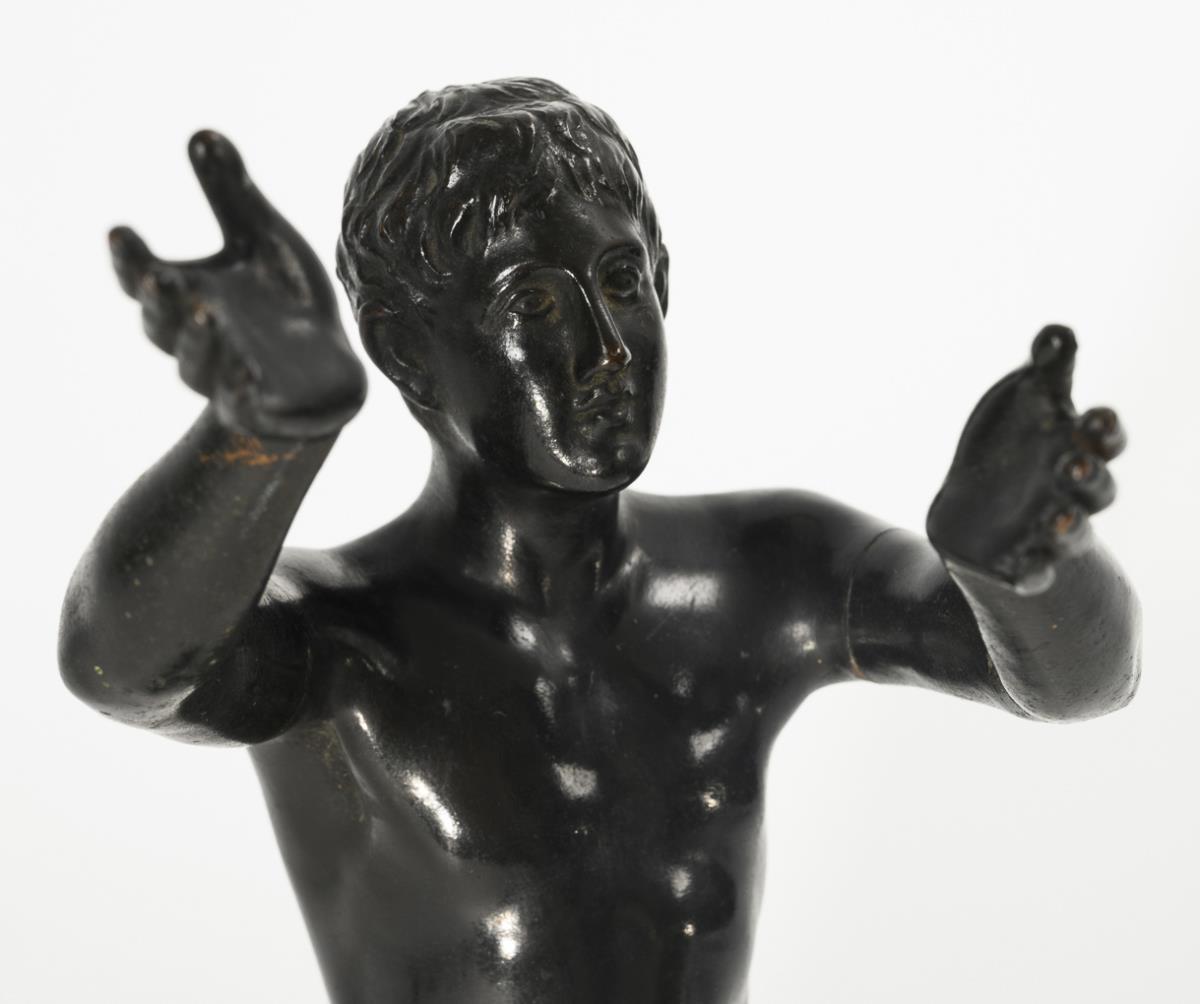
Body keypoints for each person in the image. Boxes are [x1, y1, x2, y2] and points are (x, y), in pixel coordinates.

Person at [59, 78, 1140, 1003]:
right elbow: (123, 665)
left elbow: (1075, 683)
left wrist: (1022, 570)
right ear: (407, 349)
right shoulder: (341, 636)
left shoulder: (767, 572)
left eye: (621, 282)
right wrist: (257, 438)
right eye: (532, 304)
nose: (606, 349)